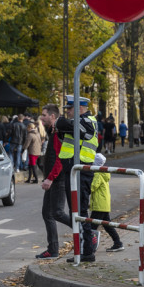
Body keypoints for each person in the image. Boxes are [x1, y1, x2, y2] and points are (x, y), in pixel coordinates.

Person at [50, 96, 100, 262]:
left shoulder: (88, 121)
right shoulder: (76, 122)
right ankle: (81, 249)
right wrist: (60, 126)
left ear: (80, 108)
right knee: (75, 213)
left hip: (82, 171)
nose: (67, 112)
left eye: (70, 109)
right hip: (72, 171)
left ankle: (87, 250)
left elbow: (82, 132)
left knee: (81, 211)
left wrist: (60, 122)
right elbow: (64, 137)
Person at [36, 103, 70, 259]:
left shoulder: (58, 133)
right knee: (47, 213)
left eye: (44, 115)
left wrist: (50, 178)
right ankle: (53, 249)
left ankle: (86, 230)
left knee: (57, 212)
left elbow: (59, 159)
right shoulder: (53, 131)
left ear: (52, 116)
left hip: (57, 179)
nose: (41, 118)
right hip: (53, 179)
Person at [89, 153, 124, 252]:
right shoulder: (103, 173)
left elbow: (92, 187)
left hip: (99, 205)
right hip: (103, 203)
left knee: (92, 227)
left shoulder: (97, 174)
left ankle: (90, 247)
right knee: (107, 226)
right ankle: (118, 243)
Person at [23, 118, 43, 184]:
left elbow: (27, 144)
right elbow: (40, 142)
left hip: (32, 152)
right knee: (30, 165)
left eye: (27, 128)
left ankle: (36, 179)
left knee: (33, 166)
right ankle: (29, 179)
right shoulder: (37, 134)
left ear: (29, 128)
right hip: (38, 151)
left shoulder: (30, 135)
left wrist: (23, 150)